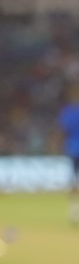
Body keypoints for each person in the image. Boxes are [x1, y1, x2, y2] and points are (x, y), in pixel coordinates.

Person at [58, 83, 79, 224]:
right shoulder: (68, 111)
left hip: (72, 148)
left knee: (73, 181)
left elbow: (62, 130)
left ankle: (73, 212)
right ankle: (73, 212)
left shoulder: (67, 112)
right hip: (73, 148)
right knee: (73, 181)